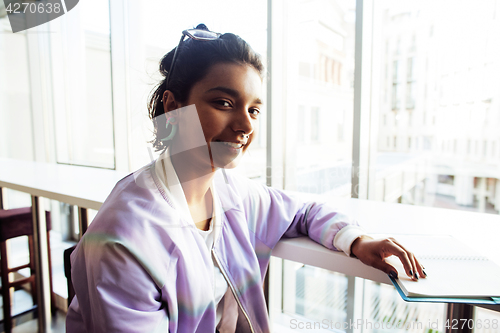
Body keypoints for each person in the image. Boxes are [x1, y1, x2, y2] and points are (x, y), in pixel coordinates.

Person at [66, 24, 425, 333]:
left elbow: (302, 211)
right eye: (224, 103)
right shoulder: (123, 241)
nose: (246, 125)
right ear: (174, 108)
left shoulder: (230, 194)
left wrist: (356, 240)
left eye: (253, 109)